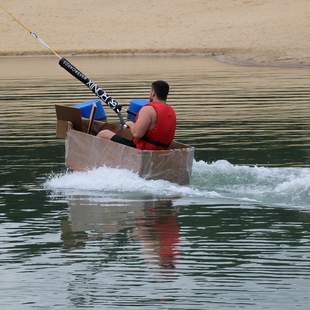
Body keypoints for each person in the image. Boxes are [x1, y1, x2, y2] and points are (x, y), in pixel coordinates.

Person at [97, 80, 176, 150]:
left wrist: (131, 124)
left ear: (153, 93)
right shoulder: (172, 111)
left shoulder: (148, 109)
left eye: (150, 91)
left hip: (143, 152)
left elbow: (137, 134)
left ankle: (93, 161)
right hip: (162, 152)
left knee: (104, 133)